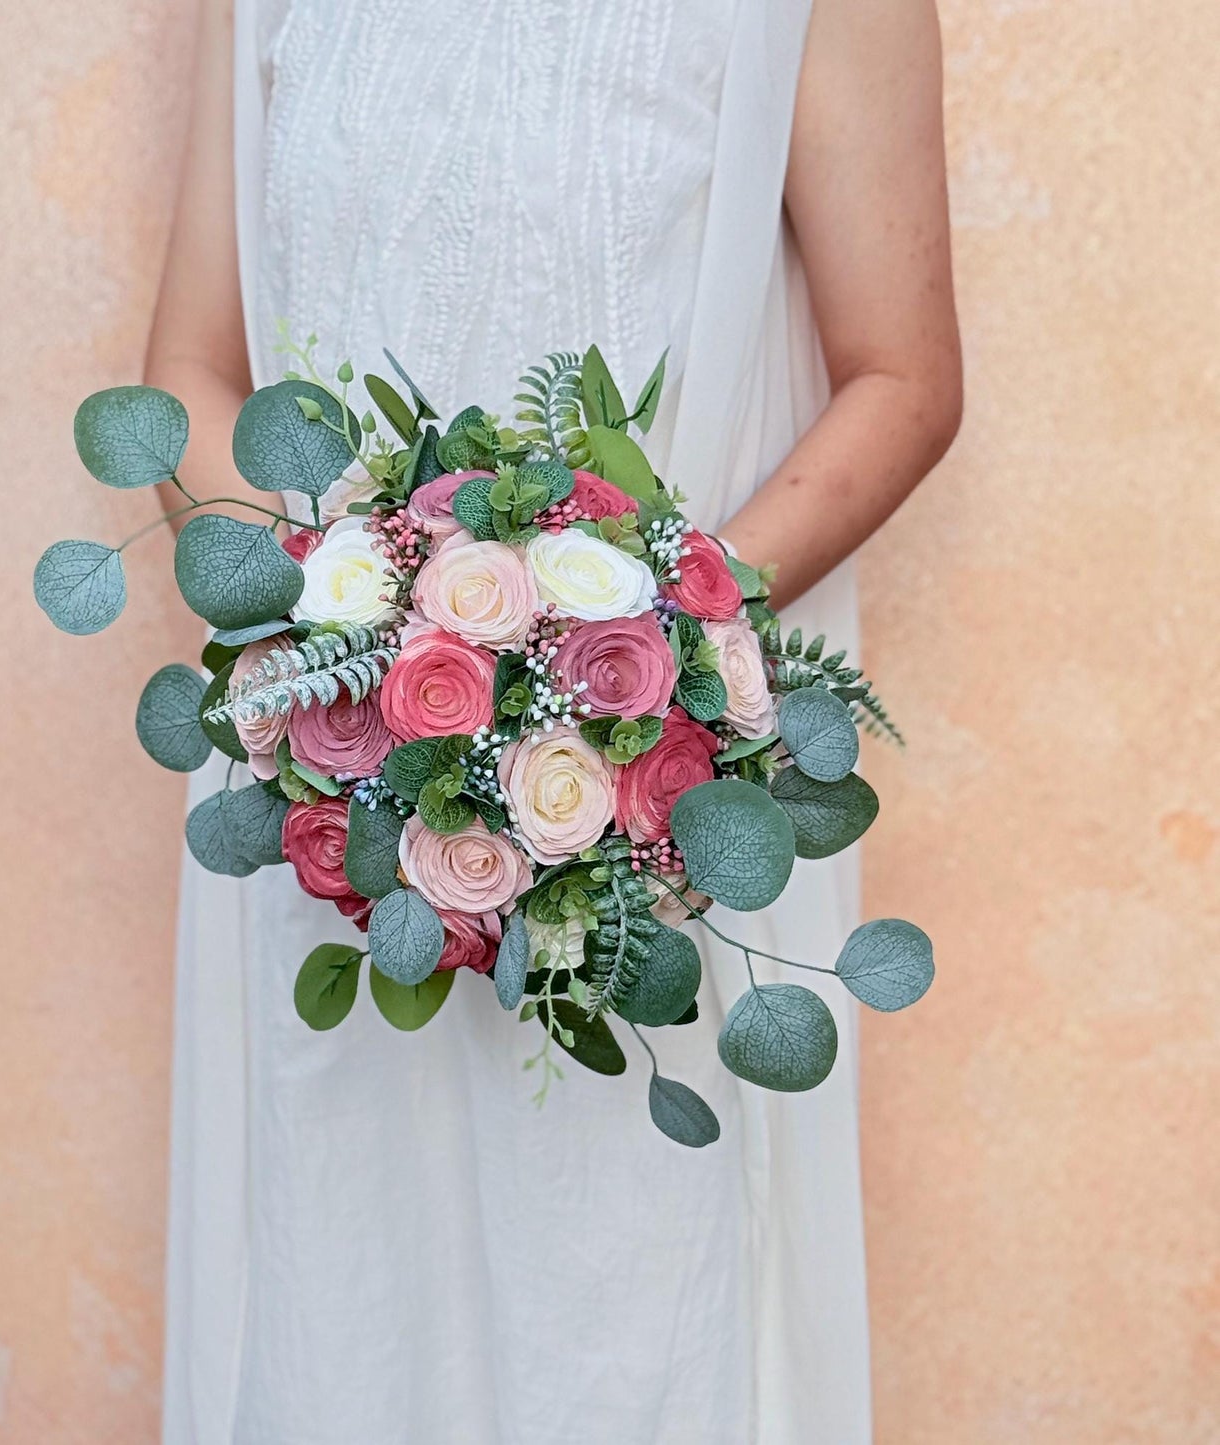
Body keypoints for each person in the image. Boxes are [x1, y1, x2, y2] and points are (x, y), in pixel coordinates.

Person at [147, 2, 961, 1441]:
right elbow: (189, 375)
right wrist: (358, 638)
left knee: (624, 1285)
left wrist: (631, 653)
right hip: (335, 812)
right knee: (340, 1295)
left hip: (643, 819)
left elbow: (899, 376)